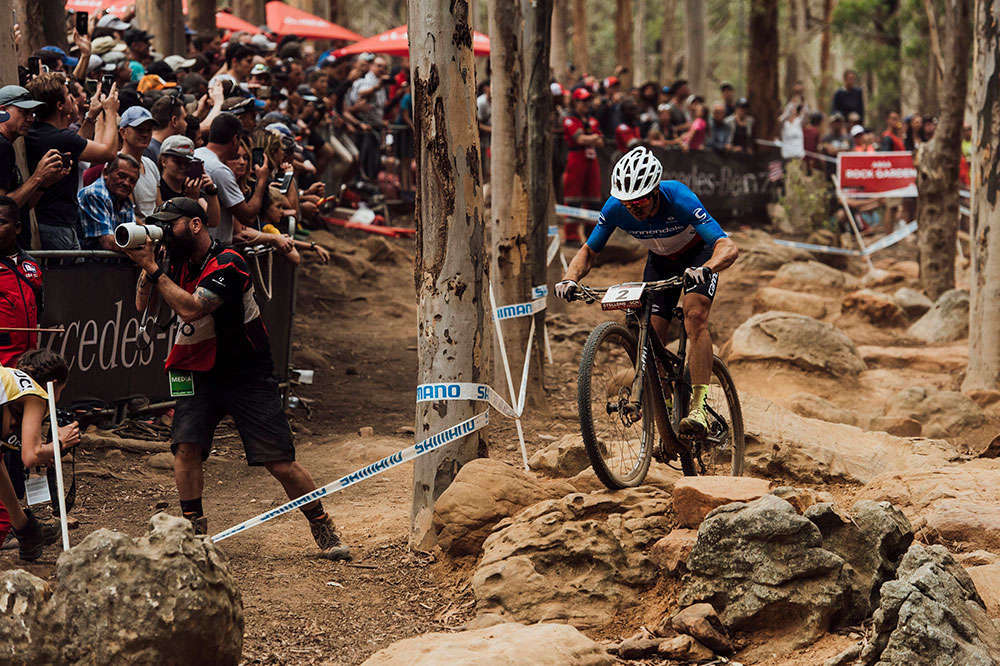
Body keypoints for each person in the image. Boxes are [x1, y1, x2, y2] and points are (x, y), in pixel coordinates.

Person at [123, 197, 351, 559]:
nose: (165, 230)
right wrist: (147, 265)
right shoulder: (172, 261)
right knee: (186, 448)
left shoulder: (229, 261)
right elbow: (142, 307)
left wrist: (153, 268)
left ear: (195, 224)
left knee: (279, 460)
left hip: (245, 371)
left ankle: (321, 523)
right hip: (194, 369)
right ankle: (193, 534)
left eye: (171, 223)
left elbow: (192, 308)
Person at [555, 147, 739, 440]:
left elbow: (727, 246)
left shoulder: (678, 197)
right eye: (627, 202)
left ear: (654, 191)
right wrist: (570, 279)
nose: (633, 207)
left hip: (698, 257)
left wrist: (708, 268)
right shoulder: (615, 207)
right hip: (661, 262)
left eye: (639, 200)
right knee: (650, 338)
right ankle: (664, 409)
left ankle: (700, 407)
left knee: (695, 316)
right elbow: (589, 251)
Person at [0, 349, 80, 561]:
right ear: (53, 384)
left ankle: (25, 528)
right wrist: (61, 442)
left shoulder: (8, 380)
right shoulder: (36, 394)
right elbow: (31, 455)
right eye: (61, 390)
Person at [25, 72, 119, 249]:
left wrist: (91, 117)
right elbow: (109, 152)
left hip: (45, 222)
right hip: (57, 227)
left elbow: (72, 148)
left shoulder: (38, 132)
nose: (73, 99)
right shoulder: (61, 138)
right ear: (60, 105)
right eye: (68, 95)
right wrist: (111, 111)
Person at [0, 86, 69, 245]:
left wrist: (44, 183)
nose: (30, 118)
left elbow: (22, 206)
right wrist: (38, 176)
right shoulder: (2, 146)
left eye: (32, 113)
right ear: (2, 111)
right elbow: (2, 209)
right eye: (24, 112)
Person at [194, 113, 270, 243]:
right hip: (213, 247)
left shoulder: (197, 153)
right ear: (235, 139)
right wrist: (262, 181)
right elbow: (248, 216)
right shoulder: (219, 170)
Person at [78, 153, 141, 251]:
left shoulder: (125, 201)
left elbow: (129, 238)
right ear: (106, 173)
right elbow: (108, 243)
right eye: (121, 176)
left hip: (111, 263)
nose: (126, 183)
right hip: (87, 263)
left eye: (132, 181)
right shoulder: (94, 194)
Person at [157, 135, 220, 228]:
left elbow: (212, 222)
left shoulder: (191, 186)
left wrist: (211, 192)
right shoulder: (158, 187)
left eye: (187, 163)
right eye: (177, 162)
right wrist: (190, 201)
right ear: (163, 161)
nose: (182, 167)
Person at [118, 106, 161, 219]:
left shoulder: (150, 164)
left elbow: (159, 206)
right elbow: (128, 211)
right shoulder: (116, 165)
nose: (145, 135)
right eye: (139, 130)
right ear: (123, 132)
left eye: (149, 130)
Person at [146, 95, 187, 161]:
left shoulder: (149, 147)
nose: (186, 124)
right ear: (174, 121)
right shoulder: (149, 151)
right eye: (184, 119)